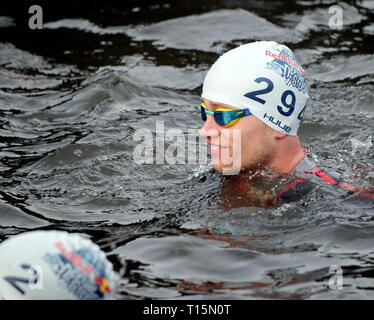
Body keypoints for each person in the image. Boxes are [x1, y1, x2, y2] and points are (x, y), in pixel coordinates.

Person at [198, 41, 373, 206]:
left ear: (279, 123)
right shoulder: (216, 177)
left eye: (224, 116)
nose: (205, 131)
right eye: (205, 112)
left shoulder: (336, 200)